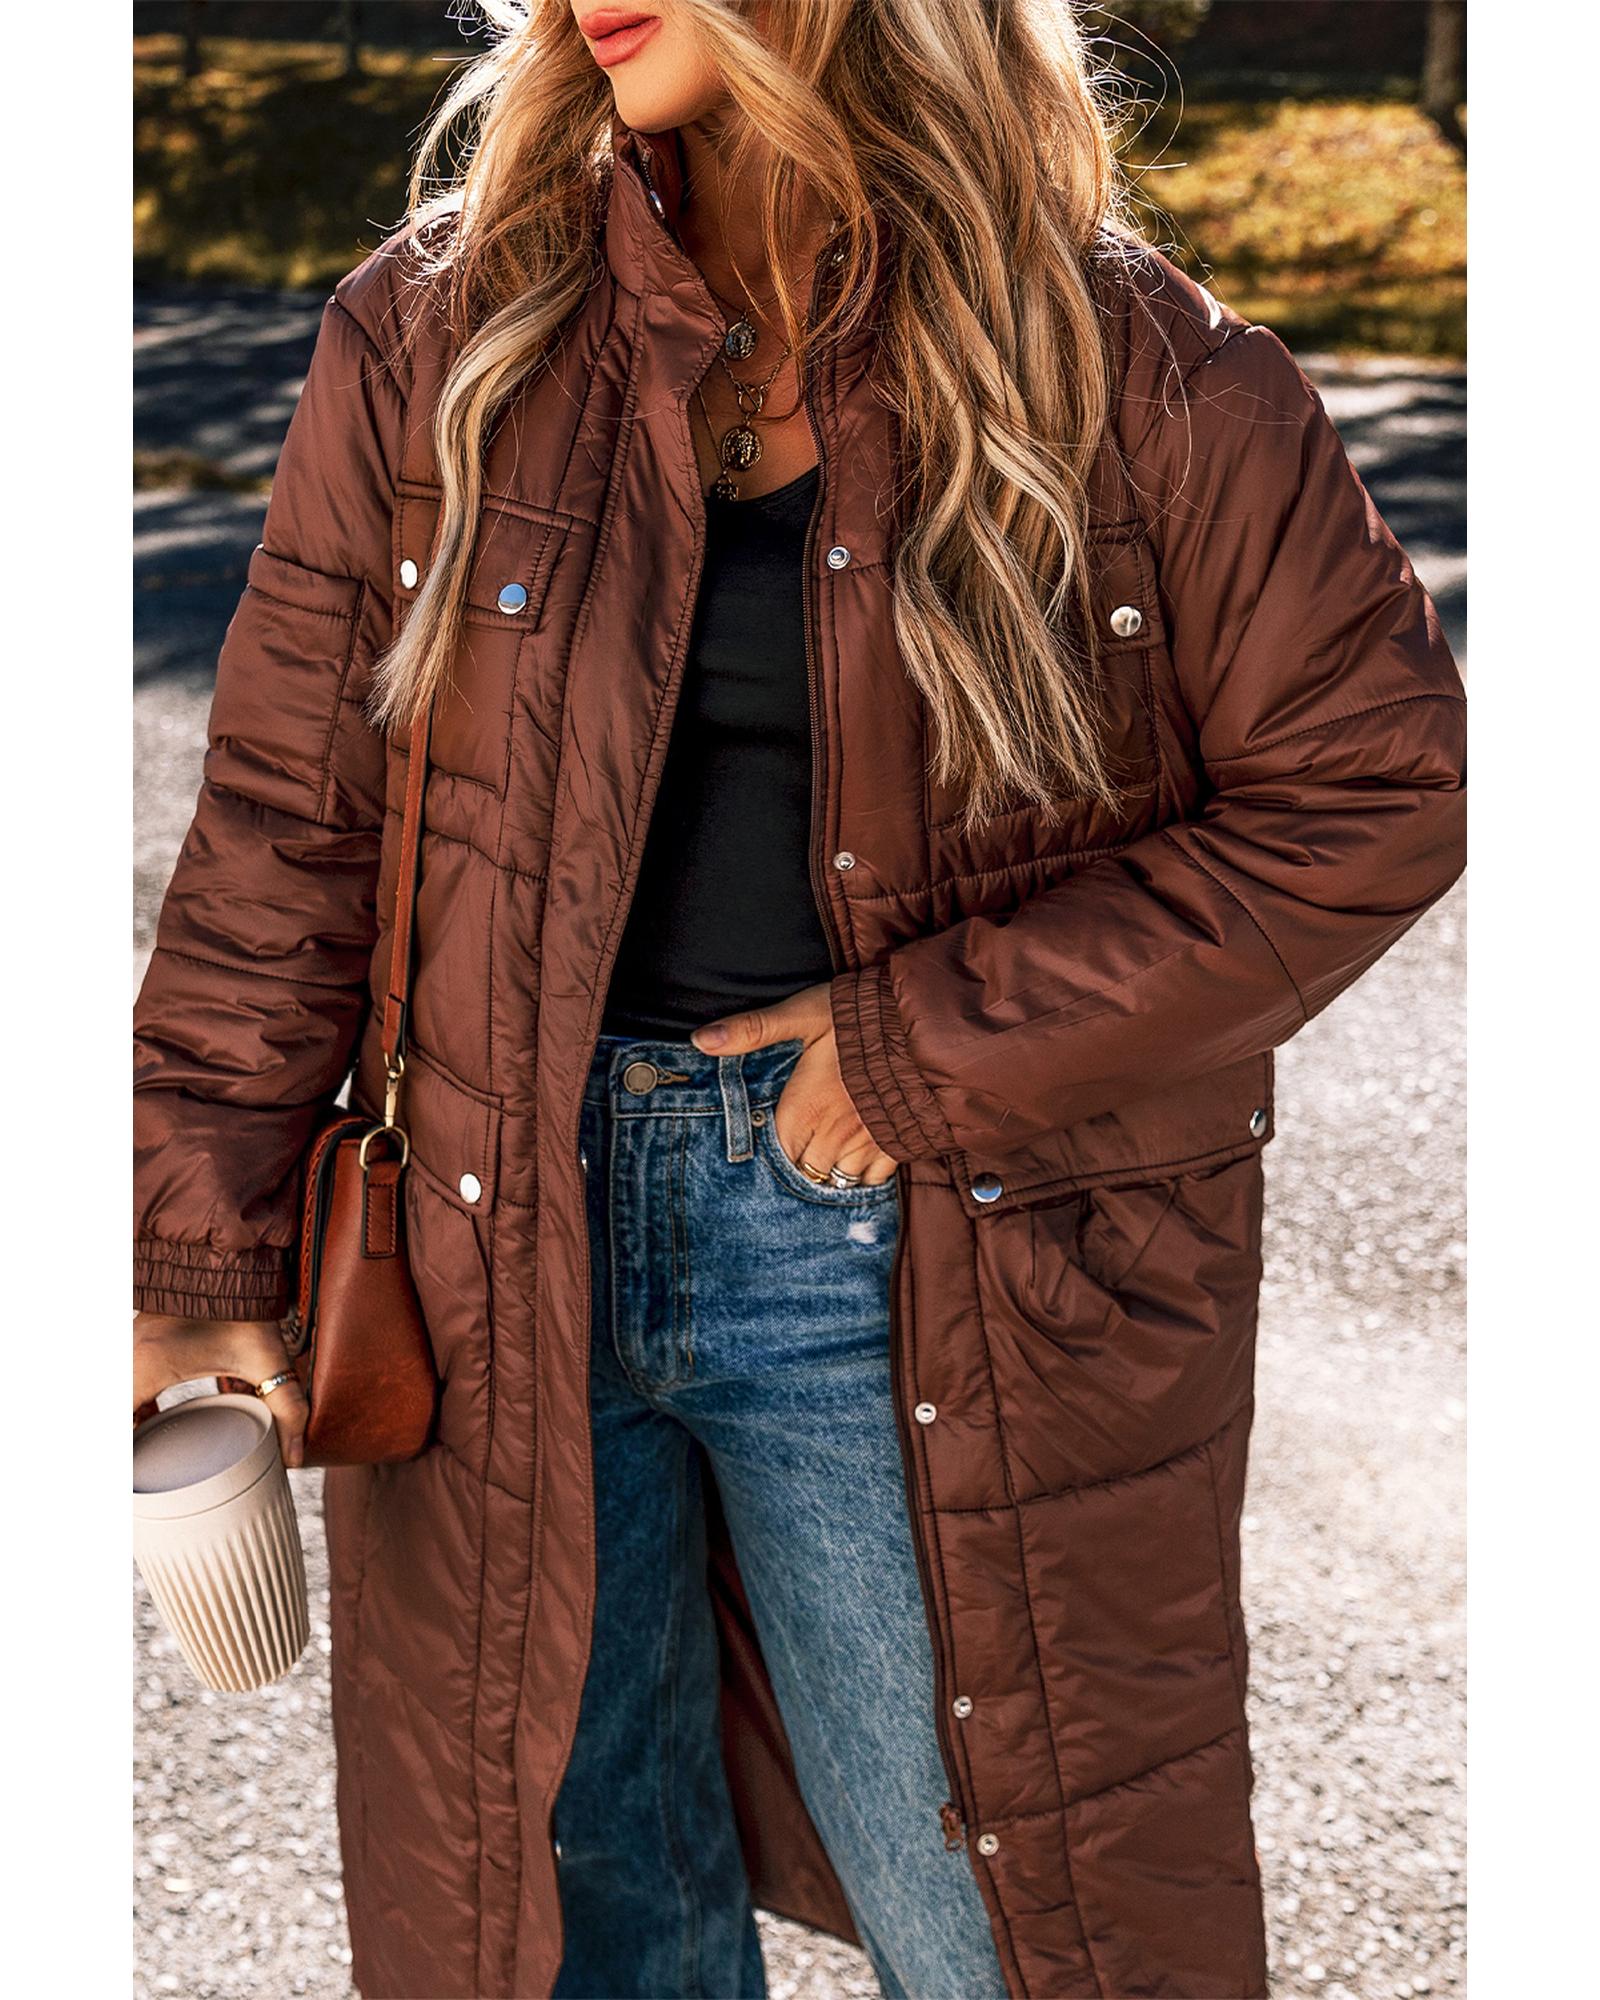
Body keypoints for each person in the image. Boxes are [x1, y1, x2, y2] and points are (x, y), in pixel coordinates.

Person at [132, 4, 1467, 1996]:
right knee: (569, 1918)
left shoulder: (1137, 367)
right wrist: (196, 1236)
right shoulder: (437, 328)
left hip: (921, 1247)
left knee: (1008, 1917)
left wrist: (927, 1048)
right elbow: (289, 818)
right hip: (496, 1233)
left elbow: (1374, 789)